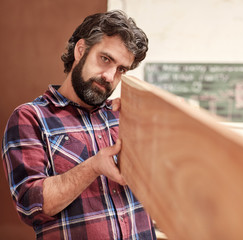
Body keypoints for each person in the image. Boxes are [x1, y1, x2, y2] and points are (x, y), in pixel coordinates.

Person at [2, 10, 156, 240]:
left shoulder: (123, 116)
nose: (110, 76)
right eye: (105, 59)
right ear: (81, 50)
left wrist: (152, 123)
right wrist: (93, 166)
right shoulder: (29, 118)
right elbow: (31, 206)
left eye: (121, 69)